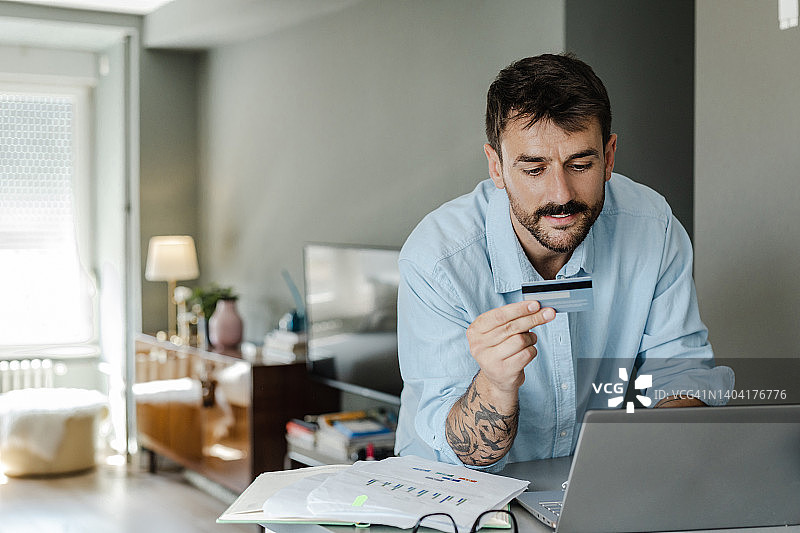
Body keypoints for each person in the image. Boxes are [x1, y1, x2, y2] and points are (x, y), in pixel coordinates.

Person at [394, 53, 734, 471]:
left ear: (609, 157)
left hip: (601, 485)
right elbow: (464, 453)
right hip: (459, 498)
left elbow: (680, 372)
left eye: (580, 164)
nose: (561, 194)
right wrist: (496, 385)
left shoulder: (652, 226)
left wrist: (658, 463)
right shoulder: (437, 260)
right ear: (496, 167)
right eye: (534, 169)